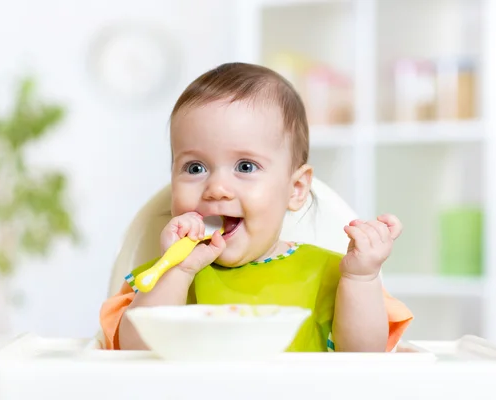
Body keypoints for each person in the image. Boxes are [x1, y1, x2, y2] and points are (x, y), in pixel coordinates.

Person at [100, 62, 413, 352]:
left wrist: (361, 278)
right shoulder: (161, 280)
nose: (216, 188)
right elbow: (134, 355)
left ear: (295, 189)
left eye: (246, 167)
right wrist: (177, 269)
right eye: (195, 168)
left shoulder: (329, 276)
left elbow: (364, 358)